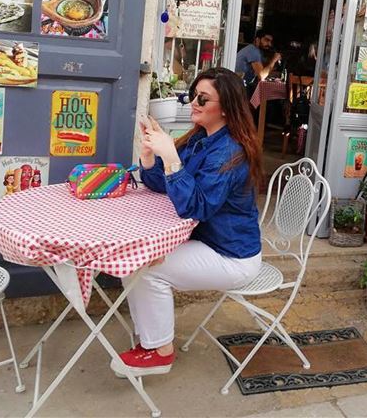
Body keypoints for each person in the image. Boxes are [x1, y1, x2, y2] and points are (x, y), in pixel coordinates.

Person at [111, 67, 263, 377]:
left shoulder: (230, 152)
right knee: (136, 261)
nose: (193, 102)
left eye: (203, 99)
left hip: (232, 255)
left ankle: (160, 351)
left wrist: (172, 160)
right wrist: (151, 157)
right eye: (192, 95)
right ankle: (149, 340)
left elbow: (195, 207)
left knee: (148, 268)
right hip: (206, 242)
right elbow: (163, 185)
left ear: (226, 107)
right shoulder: (201, 139)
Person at [235, 29, 281, 93]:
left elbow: (264, 70)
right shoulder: (253, 51)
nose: (269, 44)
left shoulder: (256, 50)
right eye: (266, 40)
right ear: (257, 39)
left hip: (241, 85)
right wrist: (274, 60)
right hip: (239, 87)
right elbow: (262, 75)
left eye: (271, 42)